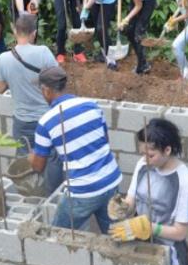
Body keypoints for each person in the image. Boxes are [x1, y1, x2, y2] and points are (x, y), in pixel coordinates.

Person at [29, 66, 122, 232]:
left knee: (58, 235)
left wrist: (32, 157)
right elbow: (104, 141)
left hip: (82, 191)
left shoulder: (46, 122)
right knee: (115, 235)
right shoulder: (92, 106)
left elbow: (38, 166)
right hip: (111, 181)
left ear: (46, 90)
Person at [109, 119, 188, 265]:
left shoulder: (185, 182)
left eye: (151, 155)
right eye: (142, 153)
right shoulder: (143, 165)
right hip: (140, 244)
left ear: (167, 150)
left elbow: (180, 233)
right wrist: (122, 207)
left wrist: (150, 228)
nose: (145, 159)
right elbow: (131, 200)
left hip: (169, 253)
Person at [0, 13, 63, 194]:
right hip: (47, 119)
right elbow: (58, 79)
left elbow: (0, 88)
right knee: (52, 158)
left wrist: (15, 79)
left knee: (25, 159)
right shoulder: (43, 52)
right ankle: (51, 195)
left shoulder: (3, 59)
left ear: (15, 32)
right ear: (34, 33)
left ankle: (30, 195)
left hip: (22, 121)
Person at [111, 0, 157, 75]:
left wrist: (125, 19)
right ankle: (138, 52)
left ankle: (143, 66)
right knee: (126, 30)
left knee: (137, 34)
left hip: (147, 1)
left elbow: (138, 6)